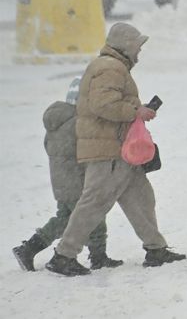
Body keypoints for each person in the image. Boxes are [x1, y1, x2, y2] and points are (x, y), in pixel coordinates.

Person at [45, 23, 185, 276]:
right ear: (126, 46)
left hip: (121, 150)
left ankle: (156, 249)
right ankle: (63, 256)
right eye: (138, 46)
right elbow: (103, 105)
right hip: (107, 150)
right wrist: (136, 111)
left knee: (141, 198)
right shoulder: (109, 67)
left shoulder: (114, 67)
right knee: (93, 203)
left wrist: (136, 108)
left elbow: (110, 102)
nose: (140, 52)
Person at [12, 78, 122, 272]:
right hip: (77, 181)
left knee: (69, 217)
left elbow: (49, 148)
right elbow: (89, 150)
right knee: (87, 217)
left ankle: (29, 249)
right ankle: (96, 256)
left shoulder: (57, 121)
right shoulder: (78, 124)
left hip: (61, 180)